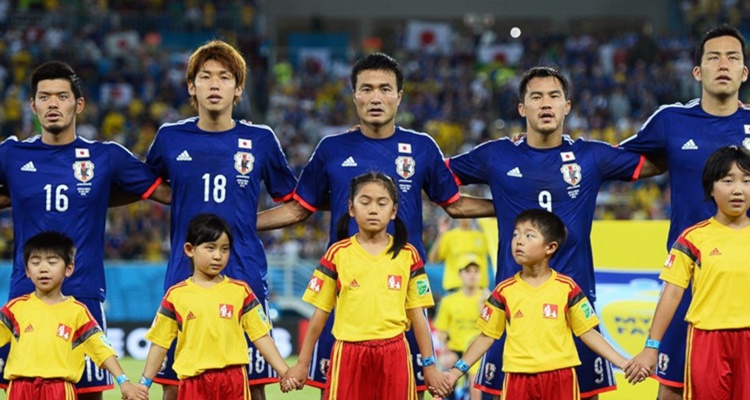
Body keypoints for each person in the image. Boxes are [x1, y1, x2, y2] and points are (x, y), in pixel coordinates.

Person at [257, 52, 494, 395]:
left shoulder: (421, 147)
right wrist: (241, 224)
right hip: (347, 298)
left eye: (385, 88)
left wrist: (506, 207)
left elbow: (455, 206)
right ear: (354, 95)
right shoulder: (331, 149)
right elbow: (298, 209)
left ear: (399, 96)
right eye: (366, 89)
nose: (375, 97)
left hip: (401, 297)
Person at [447, 66, 659, 399]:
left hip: (574, 307)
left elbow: (654, 163)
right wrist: (499, 207)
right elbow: (439, 181)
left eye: (554, 96)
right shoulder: (497, 155)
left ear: (567, 106)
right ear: (522, 108)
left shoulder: (590, 157)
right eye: (536, 97)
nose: (546, 104)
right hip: (514, 307)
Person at [0, 61, 170, 400]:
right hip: (25, 297)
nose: (52, 104)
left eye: (62, 96)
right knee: (23, 389)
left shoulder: (105, 157)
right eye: (44, 97)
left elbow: (165, 192)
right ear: (32, 105)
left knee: (90, 393)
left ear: (78, 104)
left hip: (84, 294)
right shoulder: (11, 154)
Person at [145, 40, 298, 400]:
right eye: (205, 77)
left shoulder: (260, 139)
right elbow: (148, 185)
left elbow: (295, 205)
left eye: (225, 77)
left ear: (239, 87)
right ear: (191, 86)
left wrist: (242, 223)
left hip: (244, 270)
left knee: (254, 386)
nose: (214, 84)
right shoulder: (170, 137)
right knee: (174, 384)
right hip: (185, 274)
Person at [618, 23, 750, 400]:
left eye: (733, 58)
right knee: (672, 388)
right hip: (690, 277)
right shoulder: (671, 121)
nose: (723, 64)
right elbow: (613, 161)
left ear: (744, 72)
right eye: (713, 57)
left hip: (746, 279)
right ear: (698, 72)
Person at [444, 209, 645, 400]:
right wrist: (455, 372)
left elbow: (588, 332)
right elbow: (486, 337)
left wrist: (624, 362)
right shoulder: (503, 291)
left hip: (561, 377)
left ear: (550, 247)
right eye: (515, 235)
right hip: (517, 378)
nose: (519, 241)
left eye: (529, 236)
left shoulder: (567, 288)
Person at [283, 172, 451, 399]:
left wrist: (429, 365)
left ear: (393, 211)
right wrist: (302, 364)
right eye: (365, 202)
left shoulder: (408, 255)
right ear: (351, 208)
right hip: (348, 353)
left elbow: (418, 316)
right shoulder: (337, 254)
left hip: (395, 354)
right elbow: (320, 315)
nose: (373, 209)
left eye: (382, 203)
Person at [624, 146, 750, 399]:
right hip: (708, 342)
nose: (738, 189)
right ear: (711, 188)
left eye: (747, 181)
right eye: (728, 181)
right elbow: (671, 295)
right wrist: (651, 347)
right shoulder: (693, 238)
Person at [138, 214, 294, 399]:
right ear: (190, 249)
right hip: (193, 383)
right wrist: (144, 384)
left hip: (234, 382)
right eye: (210, 248)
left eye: (225, 249)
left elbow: (261, 336)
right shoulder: (175, 295)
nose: (218, 256)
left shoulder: (241, 291)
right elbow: (160, 344)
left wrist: (285, 372)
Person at [0, 232, 146, 400]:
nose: (43, 268)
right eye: (35, 262)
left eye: (52, 262)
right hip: (19, 390)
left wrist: (124, 382)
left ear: (69, 269)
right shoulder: (14, 309)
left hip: (60, 391)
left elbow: (102, 350)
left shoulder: (77, 311)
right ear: (27, 270)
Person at [432, 255, 486, 400]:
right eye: (468, 271)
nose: (472, 275)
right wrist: (444, 347)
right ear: (460, 274)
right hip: (456, 349)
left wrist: (483, 306)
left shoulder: (487, 299)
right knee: (445, 364)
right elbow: (441, 331)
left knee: (475, 378)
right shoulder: (449, 301)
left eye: (476, 271)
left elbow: (491, 330)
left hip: (478, 350)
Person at [428, 218, 491, 291]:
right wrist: (441, 234)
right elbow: (432, 259)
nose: (464, 217)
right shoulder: (449, 236)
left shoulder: (483, 237)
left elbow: (498, 256)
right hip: (455, 287)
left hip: (478, 288)